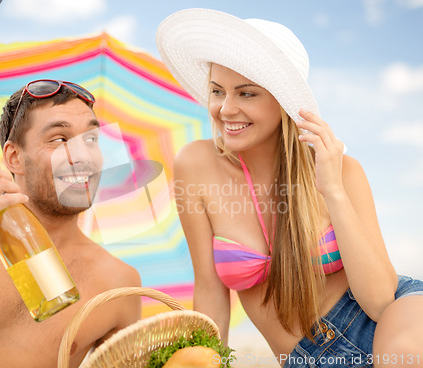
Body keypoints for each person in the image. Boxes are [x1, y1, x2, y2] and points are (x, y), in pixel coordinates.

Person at [156, 8, 423, 368]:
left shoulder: (341, 171)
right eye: (218, 91)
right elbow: (209, 291)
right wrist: (205, 360)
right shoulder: (196, 165)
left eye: (246, 94)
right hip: (305, 359)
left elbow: (379, 300)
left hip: (388, 324)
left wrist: (332, 190)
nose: (225, 109)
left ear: (282, 103)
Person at [0, 80, 141, 367]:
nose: (82, 156)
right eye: (60, 139)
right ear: (14, 158)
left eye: (91, 140)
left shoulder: (118, 284)